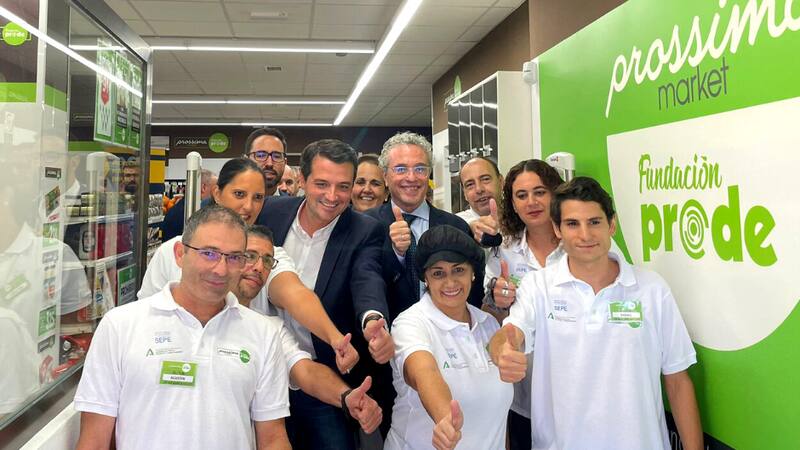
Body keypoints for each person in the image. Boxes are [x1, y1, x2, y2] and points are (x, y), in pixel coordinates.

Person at [489, 177, 703, 450]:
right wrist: (503, 351)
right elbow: (510, 332)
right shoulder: (538, 286)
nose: (585, 235)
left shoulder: (652, 289)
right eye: (572, 224)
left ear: (611, 224)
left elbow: (677, 381)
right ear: (557, 229)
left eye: (594, 222)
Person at [74, 205, 292, 449]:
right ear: (180, 254)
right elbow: (94, 438)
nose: (220, 269)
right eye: (209, 253)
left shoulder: (262, 333)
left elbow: (273, 437)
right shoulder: (120, 326)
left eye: (233, 257)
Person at [140, 158, 358, 375]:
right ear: (217, 193)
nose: (248, 207)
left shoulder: (268, 254)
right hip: (173, 370)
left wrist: (334, 338)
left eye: (258, 198)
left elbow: (295, 294)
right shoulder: (174, 250)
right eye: (239, 194)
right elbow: (145, 317)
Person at [256, 139, 393, 450]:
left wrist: (373, 319)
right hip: (259, 370)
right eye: (321, 184)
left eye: (343, 186)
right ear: (302, 180)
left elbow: (367, 279)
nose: (332, 197)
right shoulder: (269, 212)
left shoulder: (364, 230)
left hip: (322, 377)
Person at [232, 224, 383, 436]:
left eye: (267, 260)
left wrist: (346, 396)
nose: (259, 267)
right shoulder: (186, 313)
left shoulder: (269, 328)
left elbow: (305, 370)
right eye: (249, 256)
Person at [385, 225, 512, 450]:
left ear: (473, 272)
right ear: (426, 278)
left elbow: (499, 418)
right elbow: (425, 373)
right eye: (438, 273)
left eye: (458, 270)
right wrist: (445, 419)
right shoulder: (410, 324)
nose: (450, 282)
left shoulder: (489, 324)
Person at [364, 131, 484, 321]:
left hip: (447, 338)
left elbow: (473, 290)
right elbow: (363, 287)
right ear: (385, 176)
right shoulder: (365, 226)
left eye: (420, 169)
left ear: (429, 173)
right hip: (385, 339)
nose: (411, 178)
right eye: (401, 169)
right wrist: (398, 254)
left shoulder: (456, 227)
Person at [161, 169, 217, 241]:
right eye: (215, 188)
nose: (217, 193)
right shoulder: (187, 212)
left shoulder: (181, 208)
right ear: (203, 188)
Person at [457, 156, 503, 226]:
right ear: (465, 194)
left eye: (485, 179)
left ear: (501, 182)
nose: (479, 189)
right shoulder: (456, 227)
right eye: (470, 184)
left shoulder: (521, 218)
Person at [245, 127, 288, 197]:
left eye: (276, 156)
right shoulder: (230, 204)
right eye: (261, 155)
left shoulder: (294, 206)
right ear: (246, 160)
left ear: (285, 163)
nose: (269, 164)